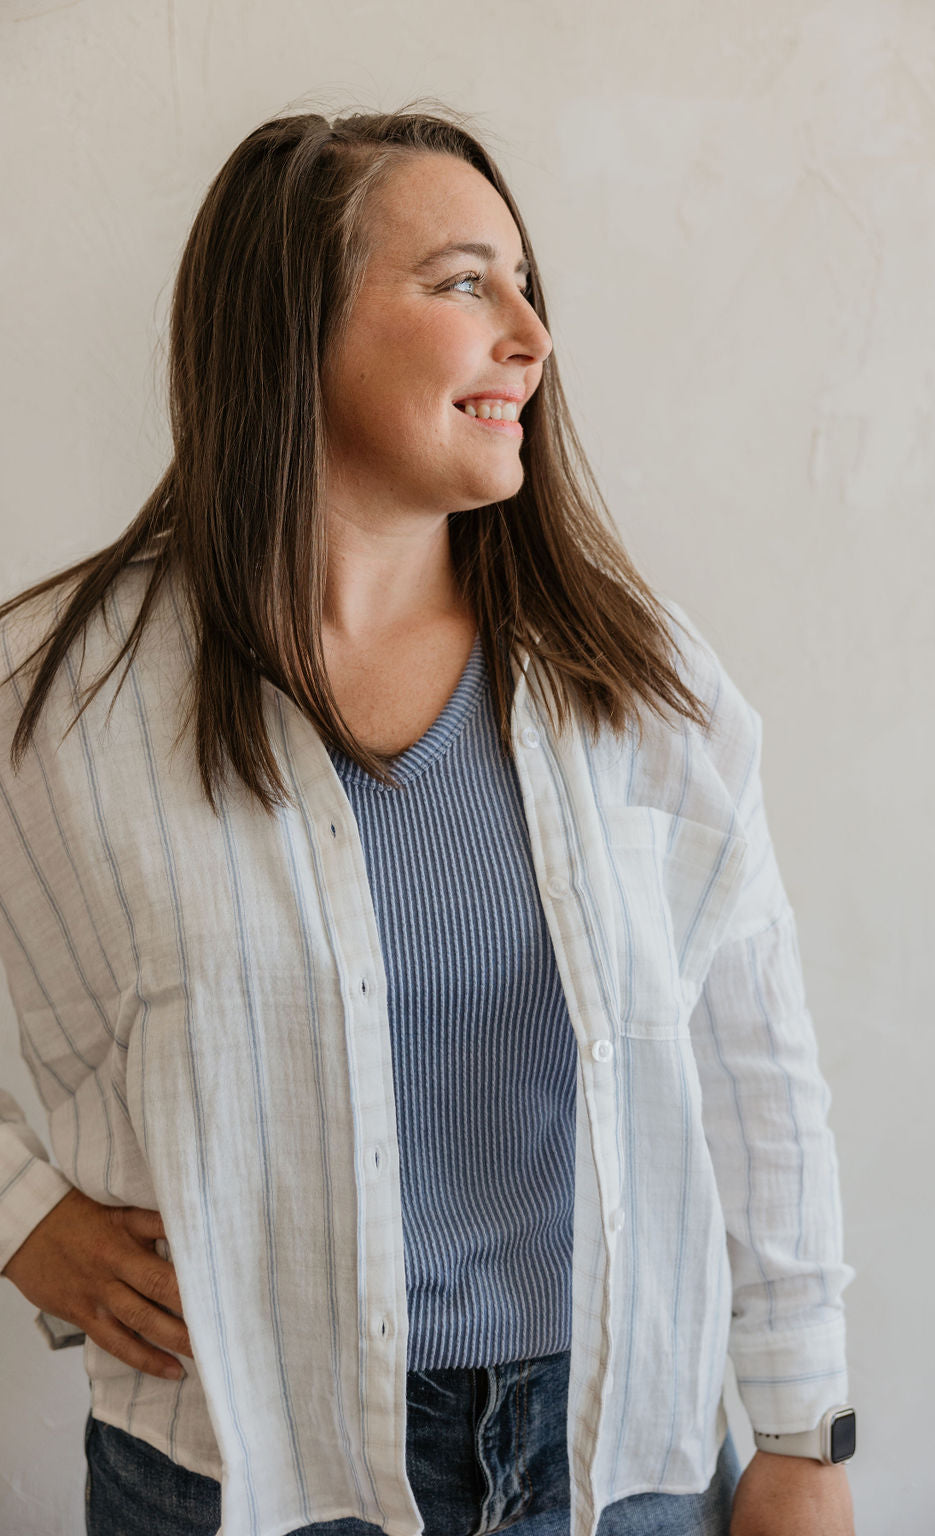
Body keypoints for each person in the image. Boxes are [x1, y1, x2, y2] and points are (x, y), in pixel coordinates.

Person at [0, 104, 856, 1536]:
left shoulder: (639, 685)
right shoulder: (59, 695)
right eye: (465, 283)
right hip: (229, 1462)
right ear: (294, 326)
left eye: (527, 285)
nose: (530, 333)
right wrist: (20, 1211)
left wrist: (803, 1431)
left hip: (615, 1457)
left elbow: (759, 1067)